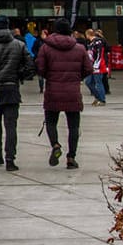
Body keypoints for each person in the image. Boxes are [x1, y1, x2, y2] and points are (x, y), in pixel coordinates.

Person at [0, 16, 35, 171]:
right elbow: (30, 65)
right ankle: (10, 158)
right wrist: (20, 75)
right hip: (11, 89)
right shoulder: (19, 45)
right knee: (11, 127)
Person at [34, 20, 90, 168]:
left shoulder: (45, 48)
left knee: (51, 122)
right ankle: (71, 157)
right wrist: (77, 78)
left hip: (53, 91)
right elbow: (88, 69)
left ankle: (55, 145)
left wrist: (50, 77)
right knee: (73, 127)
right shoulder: (80, 48)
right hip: (73, 92)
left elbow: (39, 68)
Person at [82, 29, 109, 105]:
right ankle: (98, 97)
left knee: (98, 82)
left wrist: (96, 66)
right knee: (88, 82)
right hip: (91, 65)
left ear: (87, 34)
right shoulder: (91, 43)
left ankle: (102, 99)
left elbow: (99, 55)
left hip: (98, 66)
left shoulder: (98, 42)